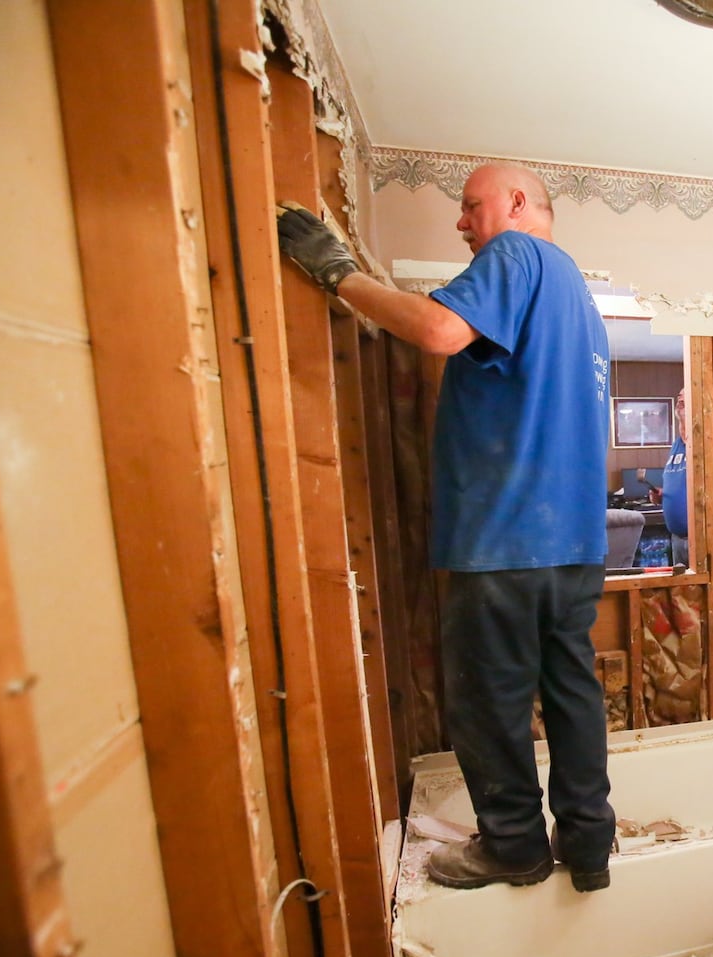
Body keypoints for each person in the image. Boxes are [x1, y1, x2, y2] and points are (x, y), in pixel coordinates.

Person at [275, 164, 616, 893]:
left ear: (518, 204)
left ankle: (515, 848)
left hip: (505, 538)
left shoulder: (516, 254)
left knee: (488, 700)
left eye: (470, 207)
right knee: (571, 692)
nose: (461, 224)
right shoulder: (578, 296)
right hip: (576, 544)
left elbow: (438, 330)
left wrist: (338, 273)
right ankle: (589, 848)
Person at [653, 390, 690, 566]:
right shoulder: (677, 444)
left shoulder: (702, 441)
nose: (679, 398)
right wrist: (663, 494)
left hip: (698, 539)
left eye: (686, 395)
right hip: (677, 540)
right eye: (679, 396)